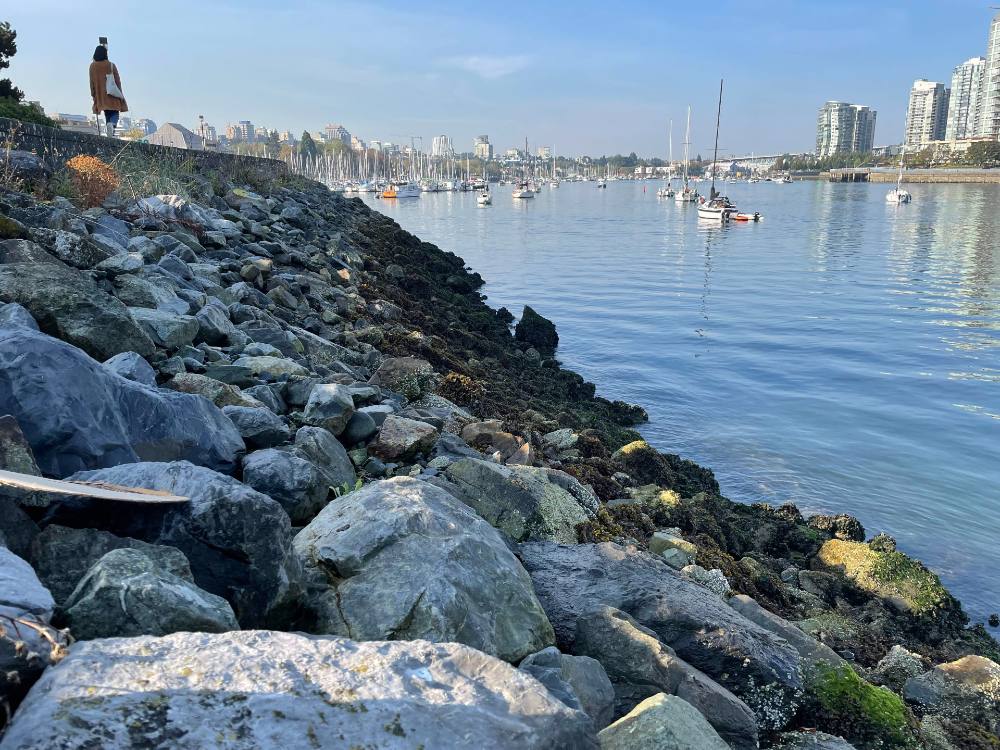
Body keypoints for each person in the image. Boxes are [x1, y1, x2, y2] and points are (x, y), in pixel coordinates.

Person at [89, 45, 127, 137]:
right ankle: (112, 125)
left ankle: (110, 133)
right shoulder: (111, 65)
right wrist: (120, 94)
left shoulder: (92, 66)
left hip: (100, 95)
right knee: (115, 113)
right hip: (112, 93)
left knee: (107, 113)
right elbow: (117, 81)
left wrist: (93, 94)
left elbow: (91, 82)